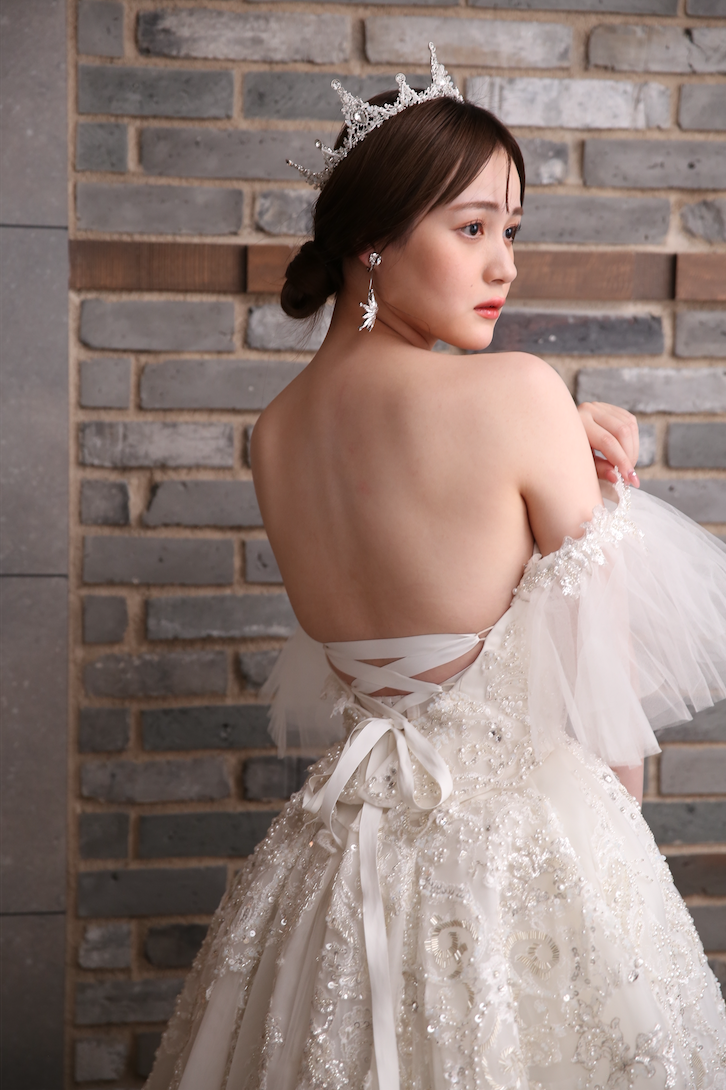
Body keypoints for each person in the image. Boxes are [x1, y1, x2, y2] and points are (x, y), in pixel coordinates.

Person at [146, 46, 726, 1090]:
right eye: (472, 229)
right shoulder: (519, 395)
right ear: (373, 240)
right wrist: (618, 887)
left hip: (335, 868)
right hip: (525, 861)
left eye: (511, 232)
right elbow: (604, 706)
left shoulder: (275, 435)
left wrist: (558, 432)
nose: (505, 266)